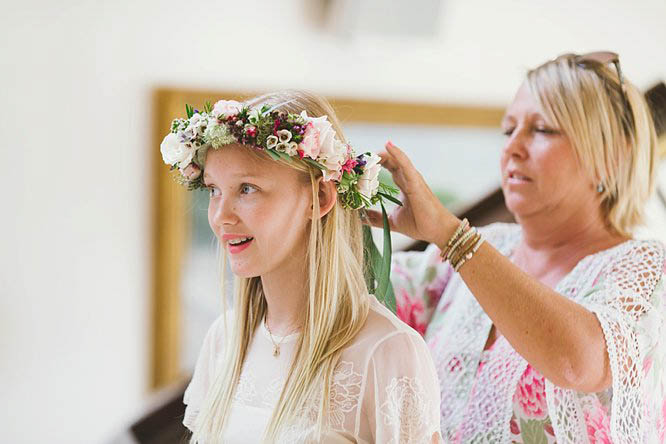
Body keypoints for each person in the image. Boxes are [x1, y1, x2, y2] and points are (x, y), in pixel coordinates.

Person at [366, 52, 666, 443]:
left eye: (541, 130)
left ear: (612, 156)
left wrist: (451, 235)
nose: (513, 148)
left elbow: (579, 362)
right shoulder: (485, 248)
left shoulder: (644, 267)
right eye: (508, 131)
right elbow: (359, 289)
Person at [160, 90, 442, 443]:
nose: (220, 216)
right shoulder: (224, 339)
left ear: (320, 198)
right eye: (214, 190)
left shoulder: (386, 351)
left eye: (247, 188)